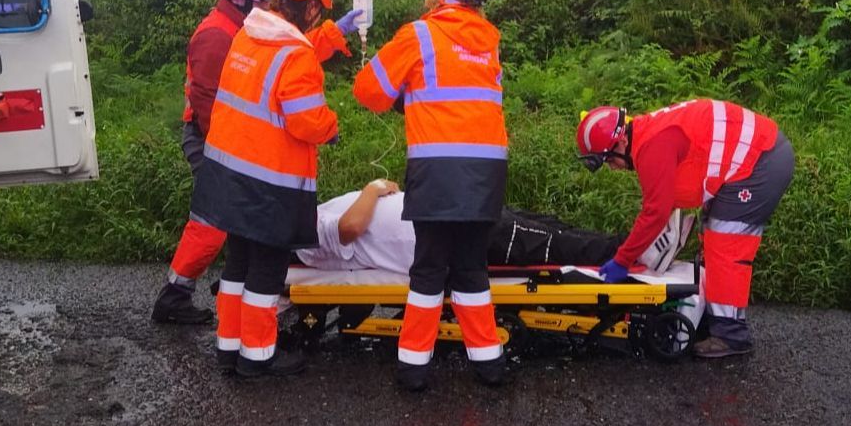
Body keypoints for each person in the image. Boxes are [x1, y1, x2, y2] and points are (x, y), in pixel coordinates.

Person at [352, 0, 509, 391]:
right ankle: (489, 364)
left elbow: (369, 91)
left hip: (438, 169)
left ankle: (413, 368)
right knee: (472, 270)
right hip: (487, 171)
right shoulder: (489, 43)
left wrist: (405, 95)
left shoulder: (418, 35)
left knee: (428, 270)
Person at [192, 0, 353, 379]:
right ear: (312, 8)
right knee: (267, 269)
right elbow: (306, 120)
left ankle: (229, 348)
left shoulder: (249, 35)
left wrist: (335, 36)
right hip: (270, 181)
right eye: (321, 10)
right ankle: (258, 357)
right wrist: (332, 127)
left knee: (237, 263)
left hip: (228, 175)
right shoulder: (295, 54)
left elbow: (286, 58)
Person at [576, 98, 794, 358]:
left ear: (621, 142)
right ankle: (710, 316)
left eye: (609, 160)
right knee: (711, 234)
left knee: (725, 243)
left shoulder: (652, 147)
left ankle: (731, 336)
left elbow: (656, 212)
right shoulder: (648, 134)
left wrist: (623, 260)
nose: (613, 168)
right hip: (754, 156)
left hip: (760, 162)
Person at [150, 0, 272, 326]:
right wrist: (225, 149)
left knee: (236, 214)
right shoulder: (216, 35)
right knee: (213, 221)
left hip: (227, 137)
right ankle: (174, 297)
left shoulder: (237, 26)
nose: (267, 3)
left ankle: (234, 280)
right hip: (211, 139)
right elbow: (205, 101)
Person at [294, 178, 687, 273]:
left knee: (547, 226)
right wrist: (373, 188)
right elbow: (349, 229)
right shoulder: (306, 232)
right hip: (441, 238)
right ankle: (645, 253)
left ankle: (642, 242)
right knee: (547, 243)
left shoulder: (314, 212)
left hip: (446, 216)